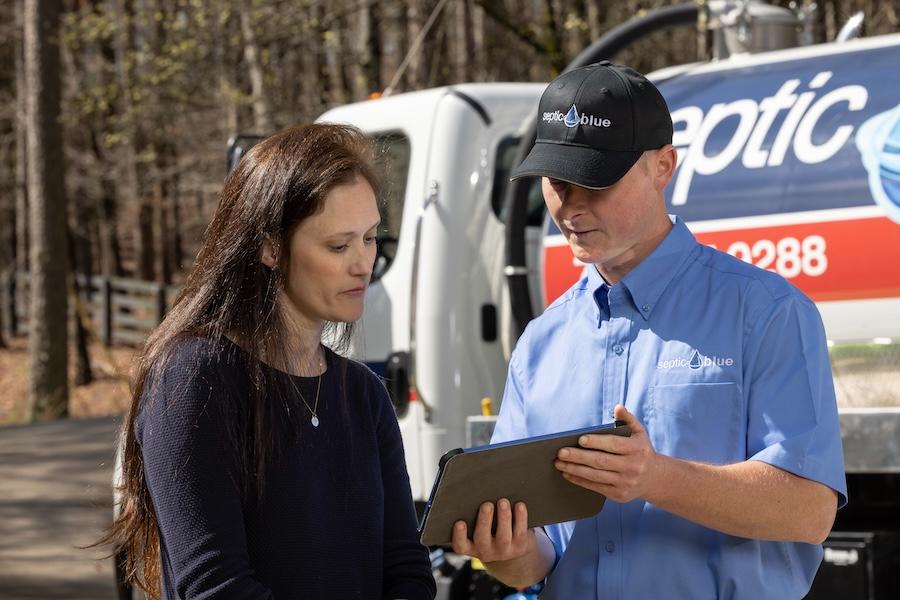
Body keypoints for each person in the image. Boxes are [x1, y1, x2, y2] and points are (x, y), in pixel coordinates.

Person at [451, 62, 847, 599]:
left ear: (663, 166)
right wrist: (507, 551)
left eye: (596, 179)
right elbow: (536, 560)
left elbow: (809, 511)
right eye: (556, 182)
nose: (571, 206)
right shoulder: (541, 343)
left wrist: (655, 478)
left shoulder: (767, 312)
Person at [99, 124, 436, 599]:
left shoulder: (363, 393)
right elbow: (214, 586)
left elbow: (406, 568)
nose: (363, 263)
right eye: (338, 246)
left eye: (370, 238)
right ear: (271, 247)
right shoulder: (194, 376)